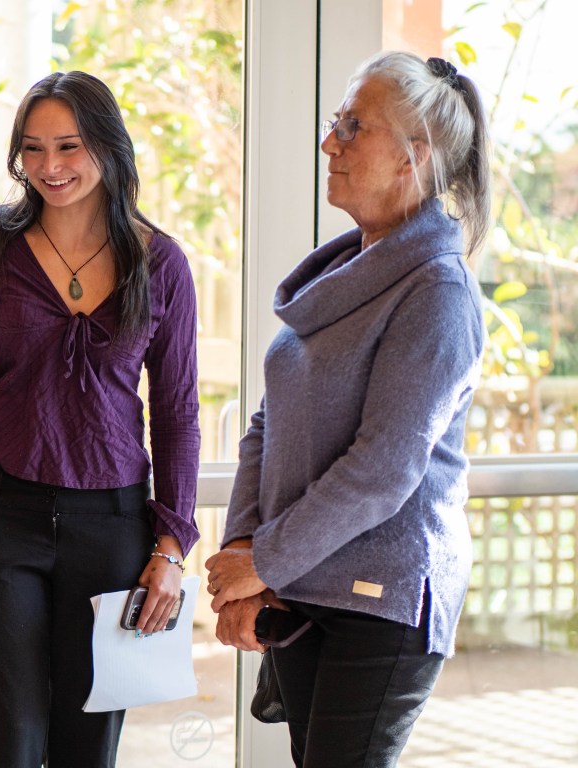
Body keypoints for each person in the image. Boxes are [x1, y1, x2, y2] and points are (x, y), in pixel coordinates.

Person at [206, 51, 490, 768]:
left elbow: (384, 469)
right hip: (303, 583)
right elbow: (267, 427)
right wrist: (246, 555)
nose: (330, 142)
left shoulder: (438, 293)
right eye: (338, 123)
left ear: (411, 158)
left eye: (353, 127)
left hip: (384, 598)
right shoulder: (341, 276)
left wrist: (264, 558)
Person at [0, 70, 200, 767]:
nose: (49, 167)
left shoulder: (160, 263)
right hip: (0, 521)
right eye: (33, 149)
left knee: (86, 747)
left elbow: (178, 413)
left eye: (68, 147)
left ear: (107, 146)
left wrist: (170, 550)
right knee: (5, 743)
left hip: (113, 528)